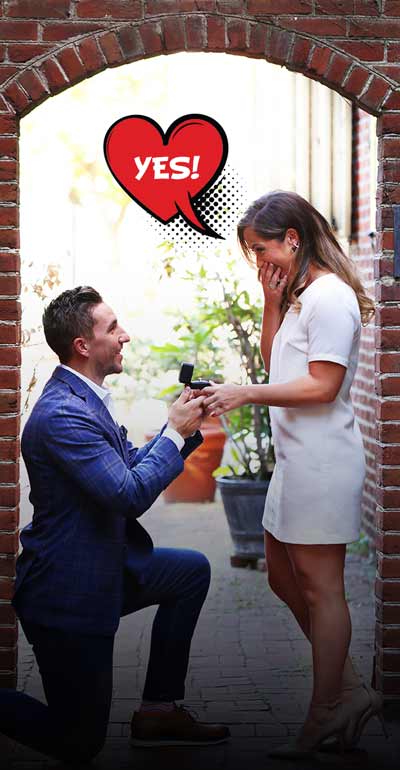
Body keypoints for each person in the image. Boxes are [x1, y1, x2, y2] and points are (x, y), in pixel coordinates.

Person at [0, 286, 230, 764]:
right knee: (79, 741)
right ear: (83, 345)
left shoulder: (85, 398)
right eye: (112, 328)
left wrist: (181, 430)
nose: (125, 336)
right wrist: (172, 431)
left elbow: (130, 465)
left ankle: (158, 711)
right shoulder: (63, 414)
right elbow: (128, 495)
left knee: (190, 572)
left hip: (106, 568)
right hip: (67, 594)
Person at [200, 191, 382, 758]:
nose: (258, 260)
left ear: (293, 239)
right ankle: (349, 690)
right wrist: (269, 300)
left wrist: (243, 394)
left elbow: (321, 386)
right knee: (281, 576)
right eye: (252, 252)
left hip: (324, 463)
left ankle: (326, 707)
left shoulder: (330, 299)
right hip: (295, 463)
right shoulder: (300, 295)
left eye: (261, 250)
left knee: (322, 591)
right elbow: (276, 358)